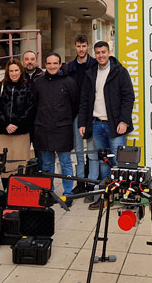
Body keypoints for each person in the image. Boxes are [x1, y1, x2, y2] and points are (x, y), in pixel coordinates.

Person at [78, 41, 135, 210]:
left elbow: (128, 97)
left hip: (115, 125)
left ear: (109, 52)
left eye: (103, 52)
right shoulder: (90, 73)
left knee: (119, 161)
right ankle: (106, 196)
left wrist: (124, 121)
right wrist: (82, 122)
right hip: (96, 124)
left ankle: (126, 196)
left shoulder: (120, 71)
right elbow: (84, 101)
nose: (101, 55)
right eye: (97, 52)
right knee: (103, 163)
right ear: (94, 54)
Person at [33, 52, 79, 201]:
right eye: (49, 63)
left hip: (63, 129)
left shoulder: (69, 82)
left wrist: (65, 119)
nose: (52, 66)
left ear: (60, 64)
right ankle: (49, 192)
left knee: (65, 163)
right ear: (45, 65)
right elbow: (34, 104)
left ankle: (68, 193)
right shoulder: (38, 82)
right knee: (47, 164)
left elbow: (75, 105)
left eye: (55, 63)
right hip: (43, 129)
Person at [0, 59, 34, 189]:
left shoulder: (28, 86)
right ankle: (6, 190)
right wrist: (6, 124)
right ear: (7, 72)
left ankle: (18, 192)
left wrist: (17, 124)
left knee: (20, 164)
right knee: (5, 164)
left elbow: (30, 107)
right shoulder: (0, 86)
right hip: (3, 132)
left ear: (21, 71)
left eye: (16, 70)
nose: (14, 73)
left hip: (21, 133)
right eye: (11, 71)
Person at [67, 34, 99, 194]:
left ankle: (92, 183)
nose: (81, 49)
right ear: (75, 47)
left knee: (92, 152)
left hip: (93, 112)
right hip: (76, 113)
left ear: (88, 46)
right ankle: (80, 182)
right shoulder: (69, 67)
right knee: (79, 151)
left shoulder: (95, 65)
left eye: (84, 46)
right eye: (78, 46)